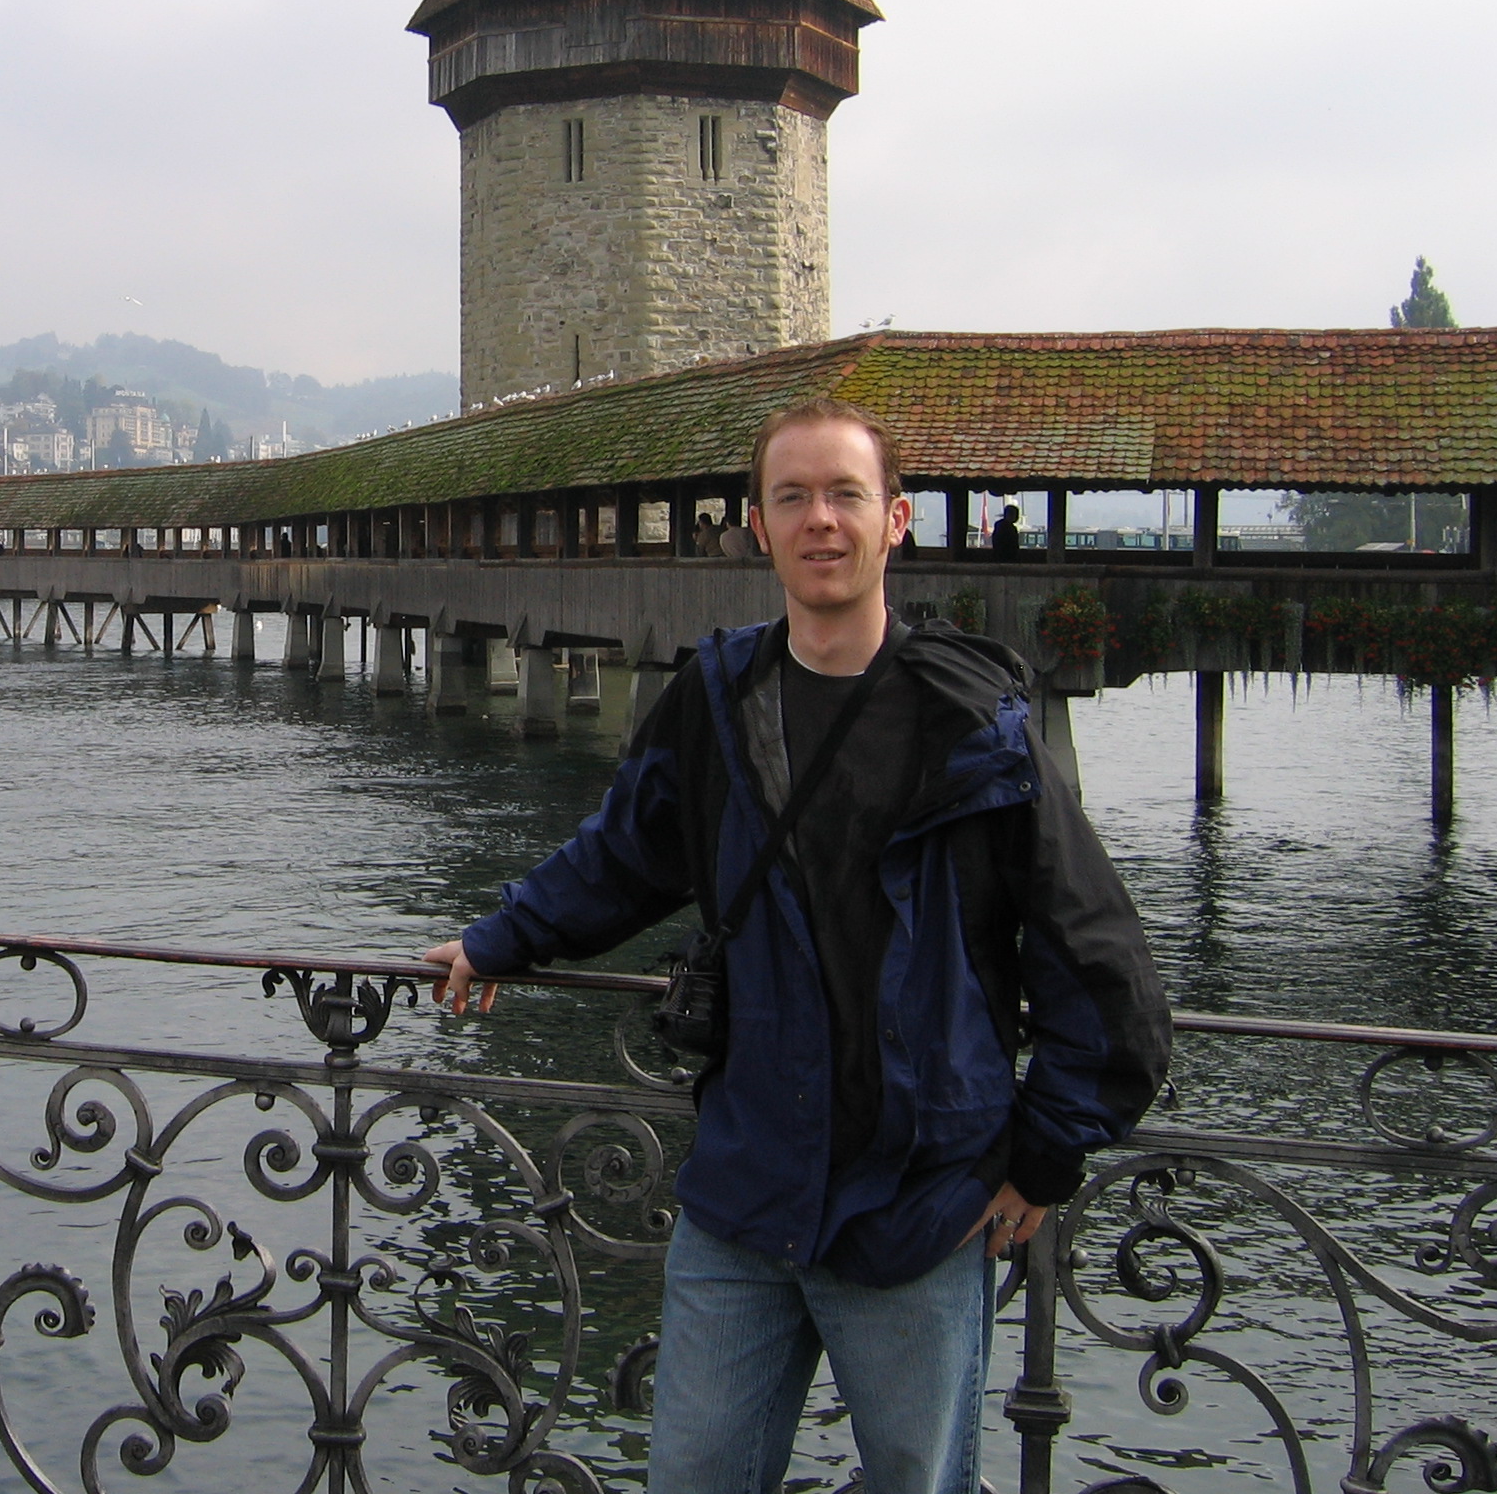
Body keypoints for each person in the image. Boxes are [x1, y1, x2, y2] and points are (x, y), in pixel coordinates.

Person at [424, 398, 1169, 1494]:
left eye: (845, 495)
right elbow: (628, 854)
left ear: (895, 521)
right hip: (746, 1198)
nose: (821, 521)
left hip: (917, 1208)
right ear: (760, 530)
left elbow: (1095, 958)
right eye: (793, 498)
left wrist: (1049, 1151)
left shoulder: (974, 728)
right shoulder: (720, 698)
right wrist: (500, 938)